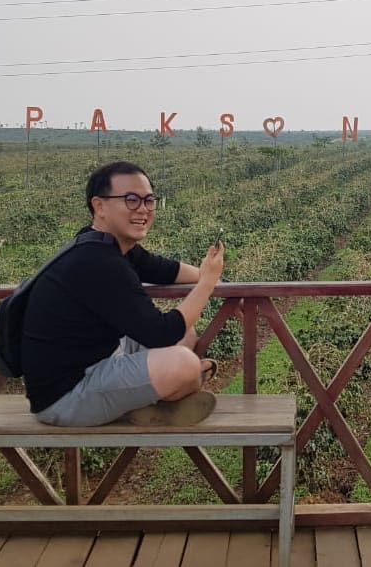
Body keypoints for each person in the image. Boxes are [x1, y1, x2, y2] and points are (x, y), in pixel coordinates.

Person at [20, 160, 224, 427]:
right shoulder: (99, 262)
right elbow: (161, 332)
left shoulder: (103, 244)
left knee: (187, 333)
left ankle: (148, 401)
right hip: (67, 395)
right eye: (131, 200)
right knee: (184, 363)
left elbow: (166, 270)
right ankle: (152, 399)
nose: (143, 209)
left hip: (102, 357)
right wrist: (207, 284)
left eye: (149, 201)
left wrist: (220, 280)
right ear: (99, 206)